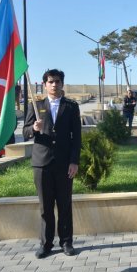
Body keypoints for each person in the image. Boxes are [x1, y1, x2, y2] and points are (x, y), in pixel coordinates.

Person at [23, 69, 82, 258]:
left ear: (62, 83)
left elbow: (77, 138)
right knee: (45, 207)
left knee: (64, 204)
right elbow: (25, 132)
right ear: (44, 84)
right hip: (42, 164)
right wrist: (33, 128)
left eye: (57, 81)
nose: (54, 84)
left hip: (64, 164)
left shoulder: (71, 107)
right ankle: (46, 244)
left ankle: (66, 242)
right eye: (50, 81)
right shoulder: (36, 104)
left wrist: (74, 161)